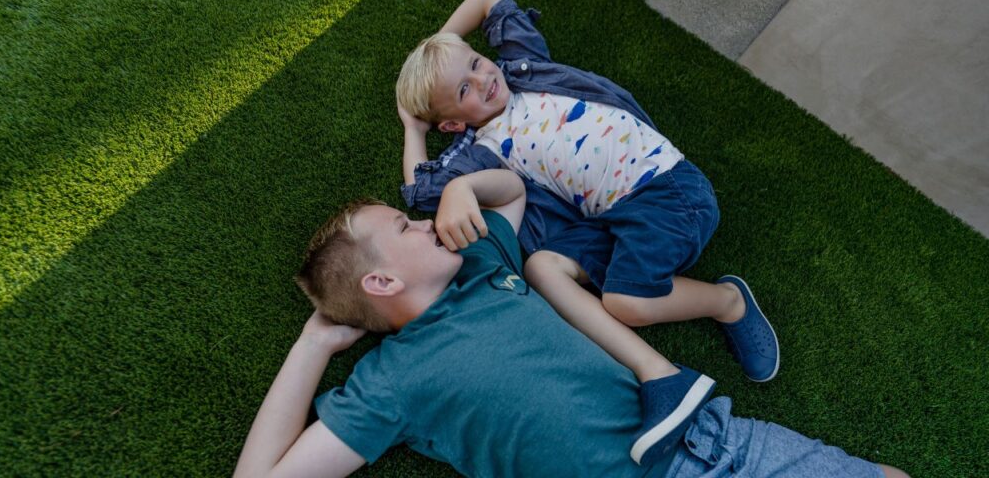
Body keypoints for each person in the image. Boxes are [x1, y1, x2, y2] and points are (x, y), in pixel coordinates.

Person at [233, 170, 908, 478]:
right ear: (382, 283)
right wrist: (313, 342)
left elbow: (515, 191)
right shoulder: (390, 383)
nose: (423, 220)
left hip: (713, 441)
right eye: (404, 226)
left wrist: (465, 188)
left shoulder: (482, 262)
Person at [395, 0, 779, 393]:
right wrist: (412, 127)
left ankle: (727, 301)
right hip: (612, 221)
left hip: (664, 188)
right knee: (541, 267)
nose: (482, 77)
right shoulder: (483, 150)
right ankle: (654, 352)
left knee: (625, 304)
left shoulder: (523, 68)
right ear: (452, 125)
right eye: (464, 90)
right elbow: (422, 187)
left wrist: (439, 47)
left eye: (475, 62)